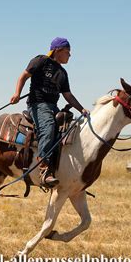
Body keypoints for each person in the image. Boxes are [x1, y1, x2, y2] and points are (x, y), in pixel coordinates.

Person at [10, 37, 89, 188]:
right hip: (38, 105)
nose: (69, 56)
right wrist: (17, 93)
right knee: (49, 127)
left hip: (53, 106)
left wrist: (82, 109)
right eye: (67, 52)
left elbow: (68, 95)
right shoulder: (41, 61)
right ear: (58, 51)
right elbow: (24, 76)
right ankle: (43, 168)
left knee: (66, 129)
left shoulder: (62, 73)